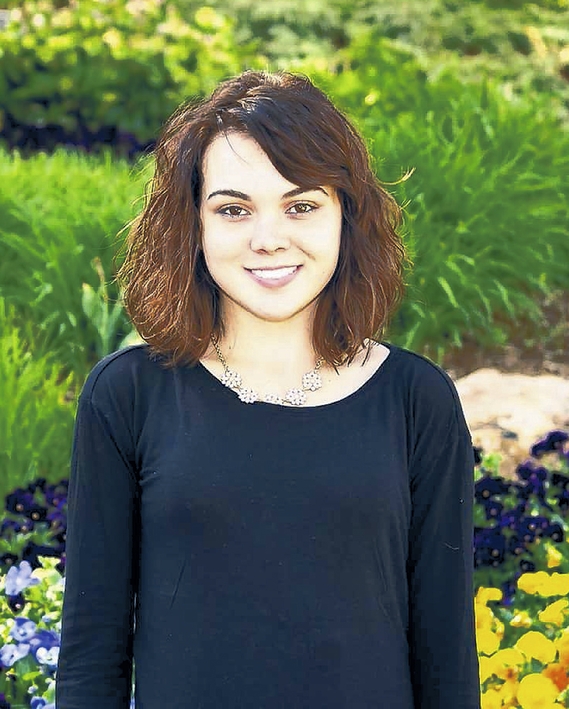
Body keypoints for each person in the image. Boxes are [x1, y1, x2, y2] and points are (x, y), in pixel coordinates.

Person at [55, 70, 480, 709]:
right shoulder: (128, 396)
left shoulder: (417, 401)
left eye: (301, 205)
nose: (269, 239)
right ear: (193, 225)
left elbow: (447, 660)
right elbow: (91, 657)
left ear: (347, 217)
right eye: (233, 209)